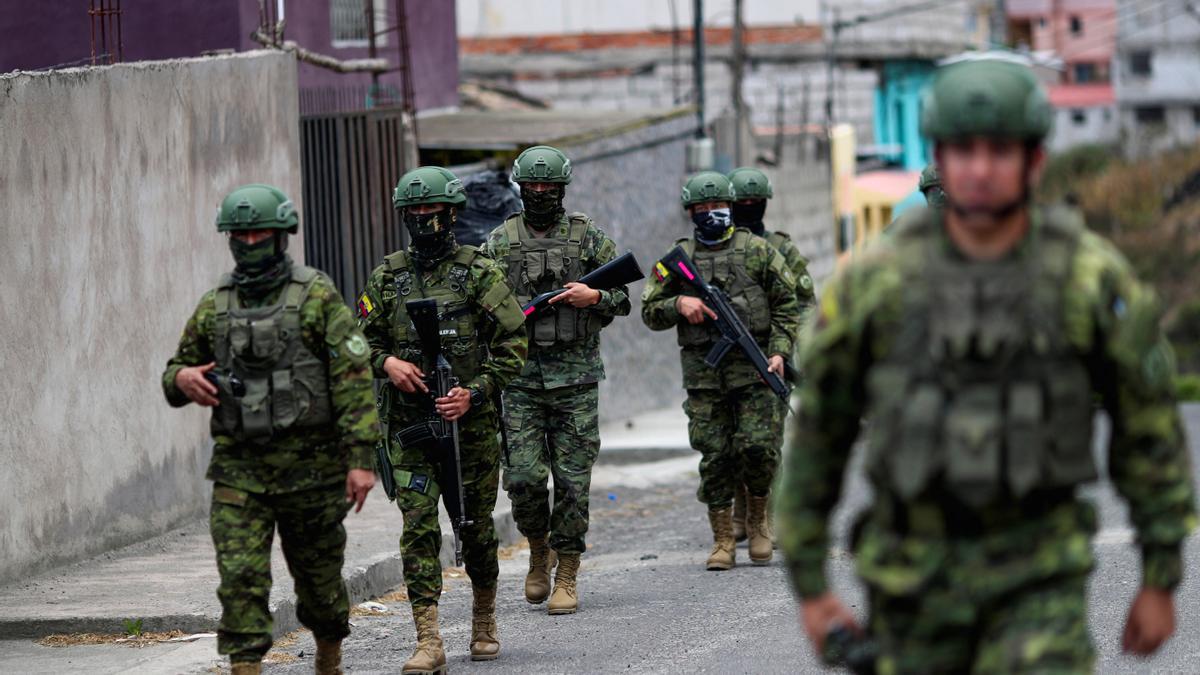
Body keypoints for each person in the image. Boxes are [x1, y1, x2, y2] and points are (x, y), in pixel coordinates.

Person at [776, 58, 1197, 673]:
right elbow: (819, 438)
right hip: (910, 587)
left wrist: (1161, 575)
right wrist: (812, 589)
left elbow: (1149, 430)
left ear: (1035, 161)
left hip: (1040, 582)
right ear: (939, 158)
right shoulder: (875, 285)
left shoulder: (1088, 278)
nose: (978, 169)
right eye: (962, 150)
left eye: (1000, 150)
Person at [162, 184, 380, 675]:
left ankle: (328, 653)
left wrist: (361, 459)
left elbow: (351, 378)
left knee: (320, 584)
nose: (251, 240)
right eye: (241, 233)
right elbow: (176, 370)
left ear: (282, 235)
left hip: (313, 471)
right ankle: (245, 666)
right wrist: (182, 377)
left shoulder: (316, 295)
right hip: (241, 470)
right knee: (240, 580)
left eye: (261, 231)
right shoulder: (215, 305)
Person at [357, 166, 527, 673]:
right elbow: (358, 341)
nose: (424, 221)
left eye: (432, 212)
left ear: (452, 214)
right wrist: (387, 362)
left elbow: (514, 343)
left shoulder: (479, 272)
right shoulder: (388, 277)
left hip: (469, 429)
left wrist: (474, 393)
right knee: (417, 528)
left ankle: (483, 619)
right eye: (415, 214)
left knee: (474, 529)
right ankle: (428, 640)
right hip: (410, 428)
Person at [482, 145, 632, 614]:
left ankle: (567, 569)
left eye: (550, 186)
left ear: (563, 188)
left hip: (577, 379)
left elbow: (624, 298)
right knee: (524, 478)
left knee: (572, 482)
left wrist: (595, 296)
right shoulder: (500, 243)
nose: (542, 193)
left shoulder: (589, 239)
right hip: (520, 379)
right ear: (521, 189)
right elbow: (478, 304)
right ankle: (538, 548)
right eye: (533, 186)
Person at [641, 171, 801, 570]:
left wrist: (780, 352)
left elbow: (787, 305)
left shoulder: (760, 252)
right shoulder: (678, 260)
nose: (712, 213)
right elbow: (648, 310)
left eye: (719, 207)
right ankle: (723, 538)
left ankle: (760, 521)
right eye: (702, 208)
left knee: (759, 448)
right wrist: (678, 304)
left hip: (756, 369)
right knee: (715, 456)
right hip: (705, 377)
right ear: (689, 212)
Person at [726, 166, 817, 541]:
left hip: (773, 359)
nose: (748, 208)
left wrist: (795, 345)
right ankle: (740, 508)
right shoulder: (719, 249)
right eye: (742, 202)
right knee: (729, 439)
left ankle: (768, 515)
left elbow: (805, 303)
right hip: (728, 361)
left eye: (755, 202)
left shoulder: (781, 248)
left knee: (766, 441)